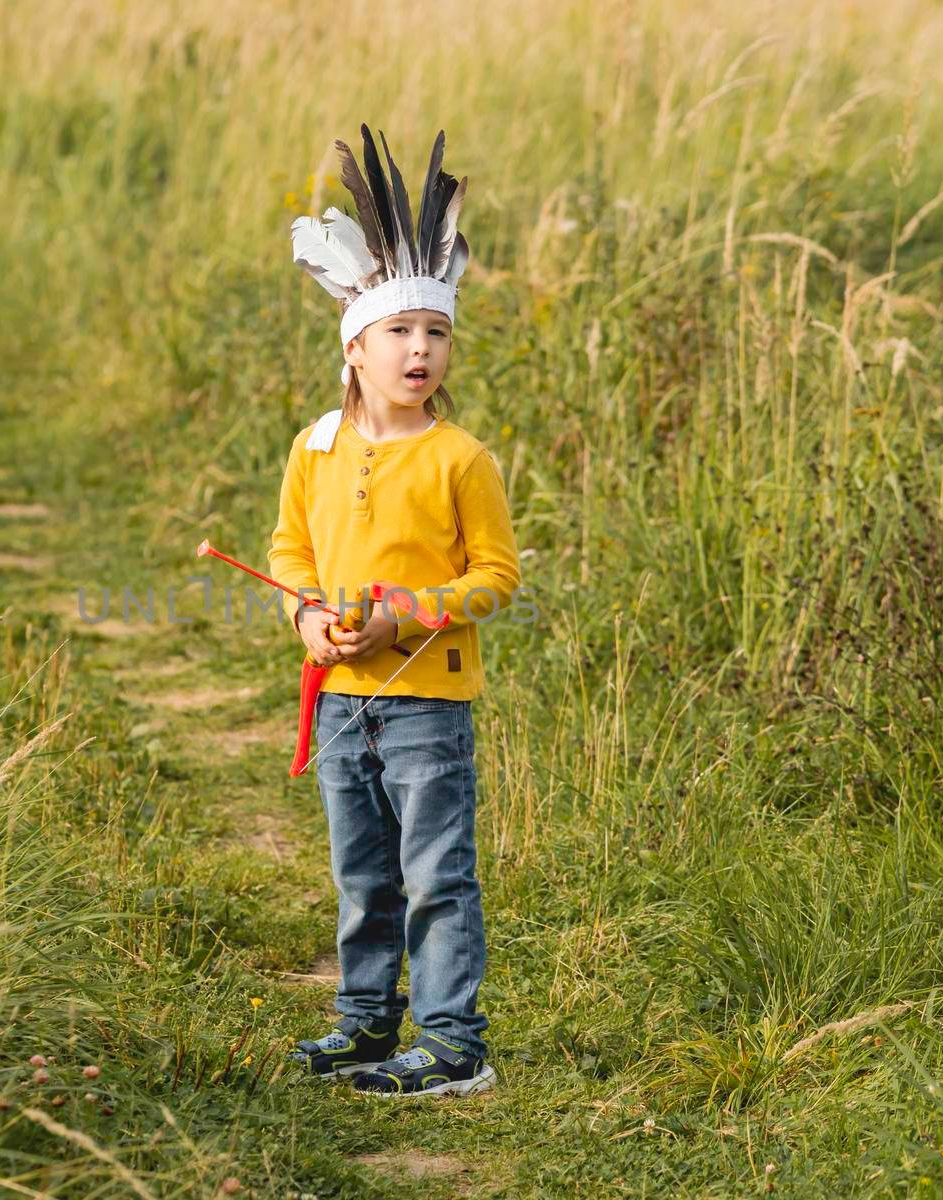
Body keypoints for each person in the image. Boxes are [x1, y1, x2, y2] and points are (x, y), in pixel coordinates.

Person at [270, 125, 521, 1099]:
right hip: (340, 698)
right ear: (356, 346)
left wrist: (408, 613)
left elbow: (495, 576)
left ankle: (455, 1041)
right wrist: (306, 621)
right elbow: (293, 551)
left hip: (426, 703)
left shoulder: (461, 459)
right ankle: (367, 1022)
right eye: (399, 332)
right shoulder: (317, 446)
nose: (420, 349)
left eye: (437, 331)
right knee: (361, 872)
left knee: (434, 874)